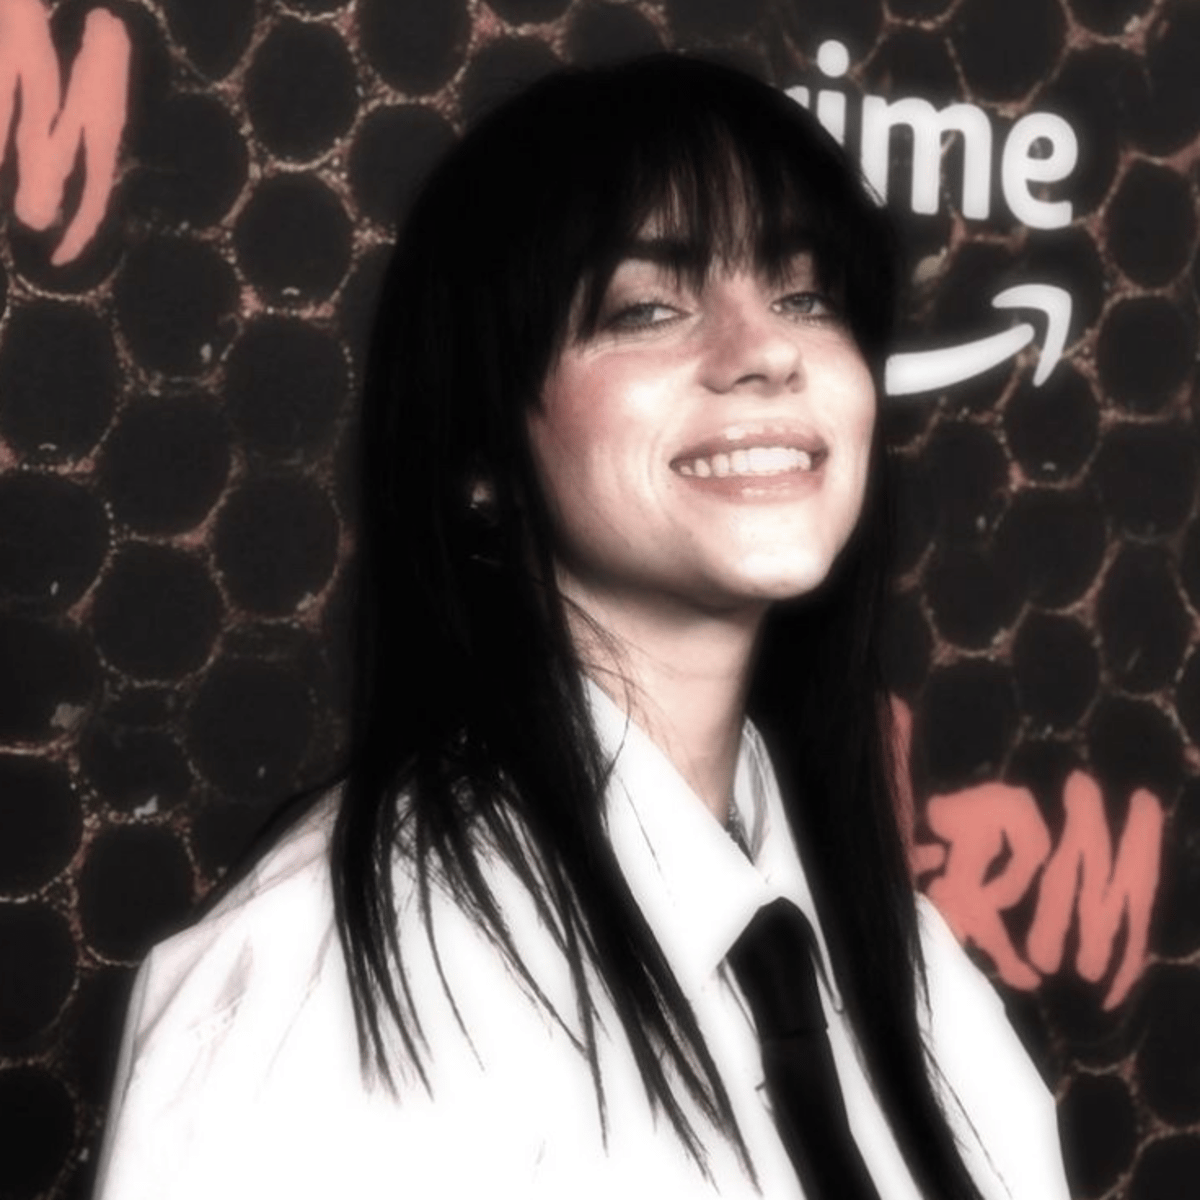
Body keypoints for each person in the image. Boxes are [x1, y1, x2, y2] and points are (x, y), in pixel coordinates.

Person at [95, 55, 1070, 1199]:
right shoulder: (334, 975)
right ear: (479, 452)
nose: (767, 351)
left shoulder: (925, 985)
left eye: (806, 296)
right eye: (646, 307)